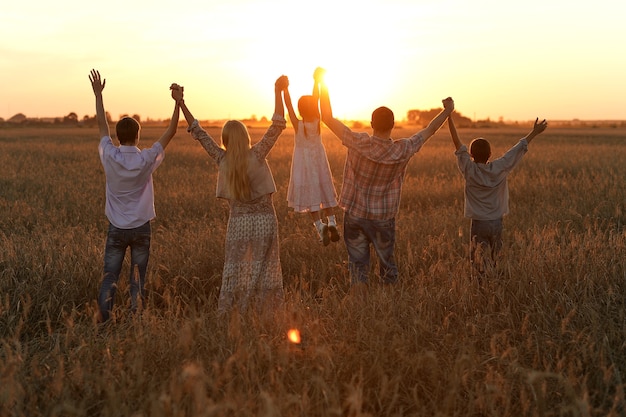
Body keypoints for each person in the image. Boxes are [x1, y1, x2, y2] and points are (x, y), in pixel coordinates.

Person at [319, 72, 454, 287]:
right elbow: (429, 130)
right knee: (387, 265)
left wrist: (321, 84)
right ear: (393, 124)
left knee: (357, 266)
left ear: (371, 123)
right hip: (383, 217)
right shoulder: (402, 149)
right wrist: (447, 111)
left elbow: (326, 117)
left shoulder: (359, 142)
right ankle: (387, 303)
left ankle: (360, 308)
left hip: (355, 214)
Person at [175, 76, 288, 315]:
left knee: (236, 270)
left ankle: (236, 313)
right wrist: (278, 91)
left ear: (225, 141)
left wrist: (181, 103)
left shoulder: (221, 159)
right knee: (265, 268)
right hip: (266, 221)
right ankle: (265, 313)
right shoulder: (257, 154)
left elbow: (198, 132)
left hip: (238, 224)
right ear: (246, 137)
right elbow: (277, 125)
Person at [89, 69, 181, 323]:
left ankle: (104, 322)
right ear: (138, 136)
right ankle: (136, 320)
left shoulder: (109, 154)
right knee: (137, 278)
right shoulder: (146, 158)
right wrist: (178, 104)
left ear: (118, 137)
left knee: (110, 276)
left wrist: (98, 94)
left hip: (116, 228)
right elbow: (171, 132)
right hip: (141, 228)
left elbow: (101, 125)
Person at [448, 115, 548, 277]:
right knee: (496, 260)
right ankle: (496, 285)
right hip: (496, 222)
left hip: (478, 223)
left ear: (471, 155)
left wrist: (449, 116)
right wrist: (534, 132)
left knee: (478, 263)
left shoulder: (469, 169)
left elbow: (457, 143)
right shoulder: (500, 168)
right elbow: (519, 148)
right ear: (490, 153)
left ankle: (481, 289)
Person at [284, 67, 340, 245]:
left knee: (310, 196)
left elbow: (289, 106)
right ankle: (332, 222)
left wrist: (285, 90)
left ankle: (319, 226)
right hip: (319, 161)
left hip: (303, 165)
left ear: (301, 110)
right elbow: (315, 99)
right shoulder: (317, 122)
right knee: (324, 191)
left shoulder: (297, 124)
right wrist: (316, 82)